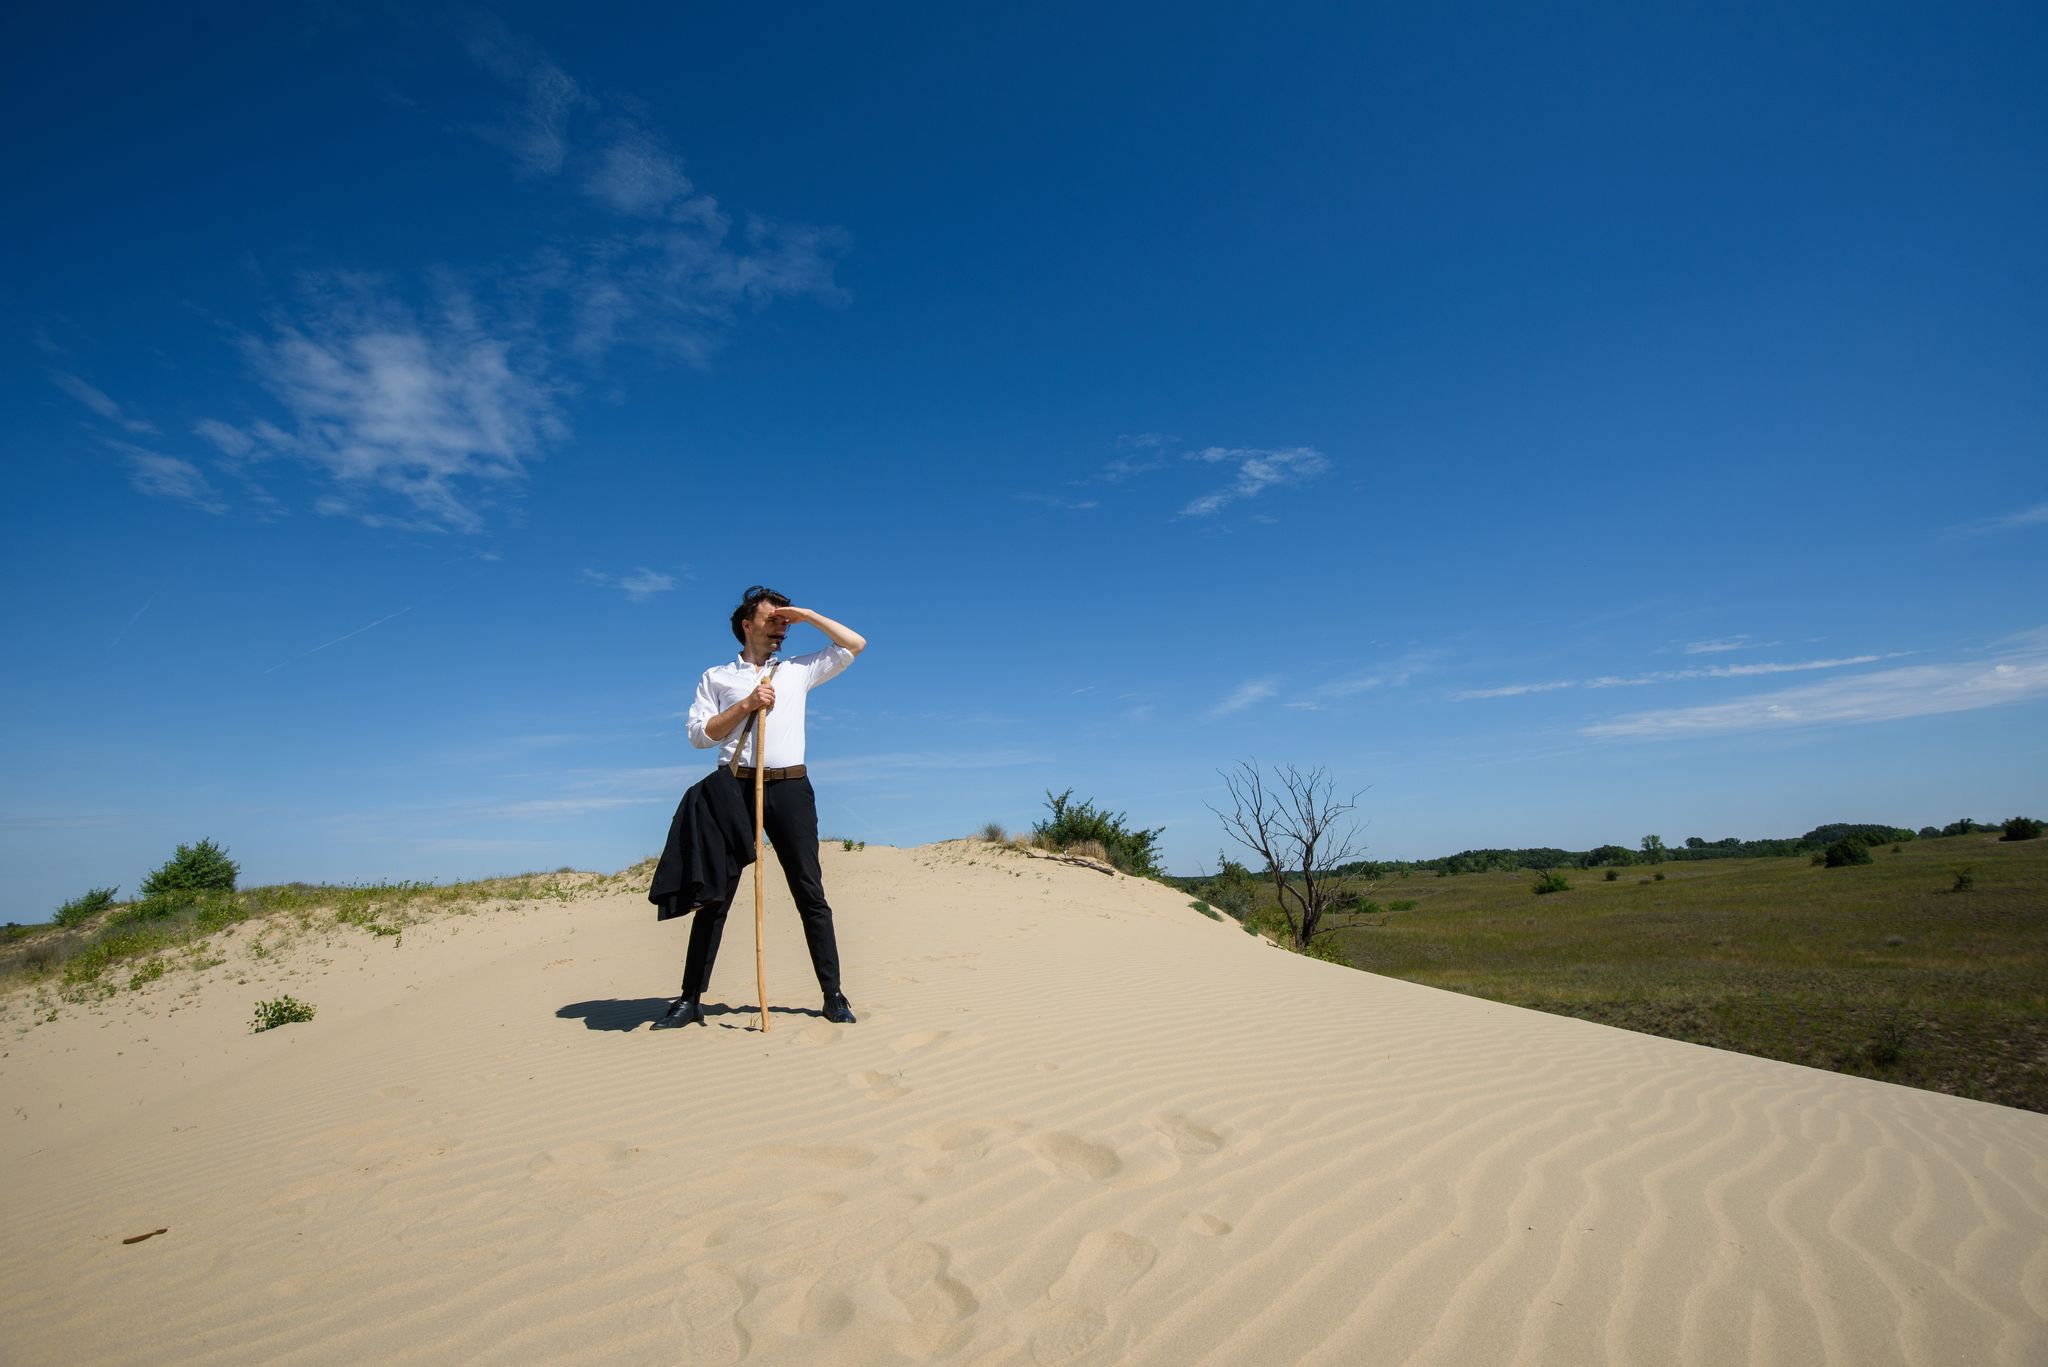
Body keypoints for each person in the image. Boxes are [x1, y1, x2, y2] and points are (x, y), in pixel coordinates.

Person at [655, 585, 866, 1028]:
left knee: (810, 893)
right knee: (716, 894)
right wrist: (747, 704)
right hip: (734, 789)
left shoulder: (797, 670)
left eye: (785, 623)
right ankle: (690, 999)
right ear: (746, 625)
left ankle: (834, 995)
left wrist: (807, 613)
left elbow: (854, 644)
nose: (781, 628)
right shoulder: (716, 677)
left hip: (789, 788)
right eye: (773, 619)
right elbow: (699, 735)